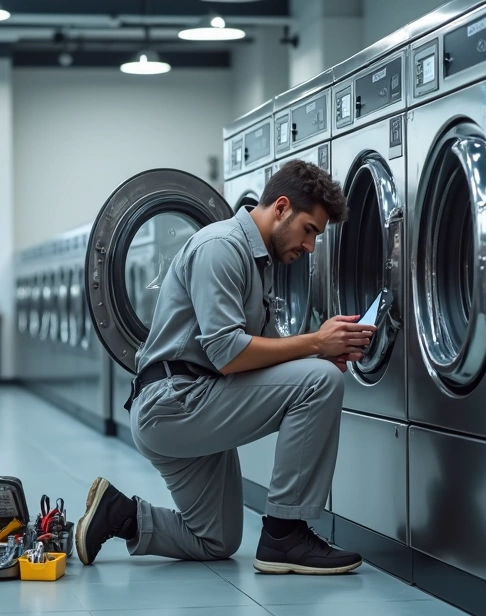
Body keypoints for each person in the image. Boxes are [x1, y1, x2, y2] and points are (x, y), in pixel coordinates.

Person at [74, 159, 376, 575]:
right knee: (319, 383)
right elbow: (228, 354)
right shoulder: (221, 246)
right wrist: (315, 344)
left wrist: (320, 350)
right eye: (310, 230)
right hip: (176, 403)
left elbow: (262, 353)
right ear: (282, 207)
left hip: (191, 402)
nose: (310, 247)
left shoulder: (259, 263)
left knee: (215, 539)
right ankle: (285, 535)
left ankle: (120, 514)